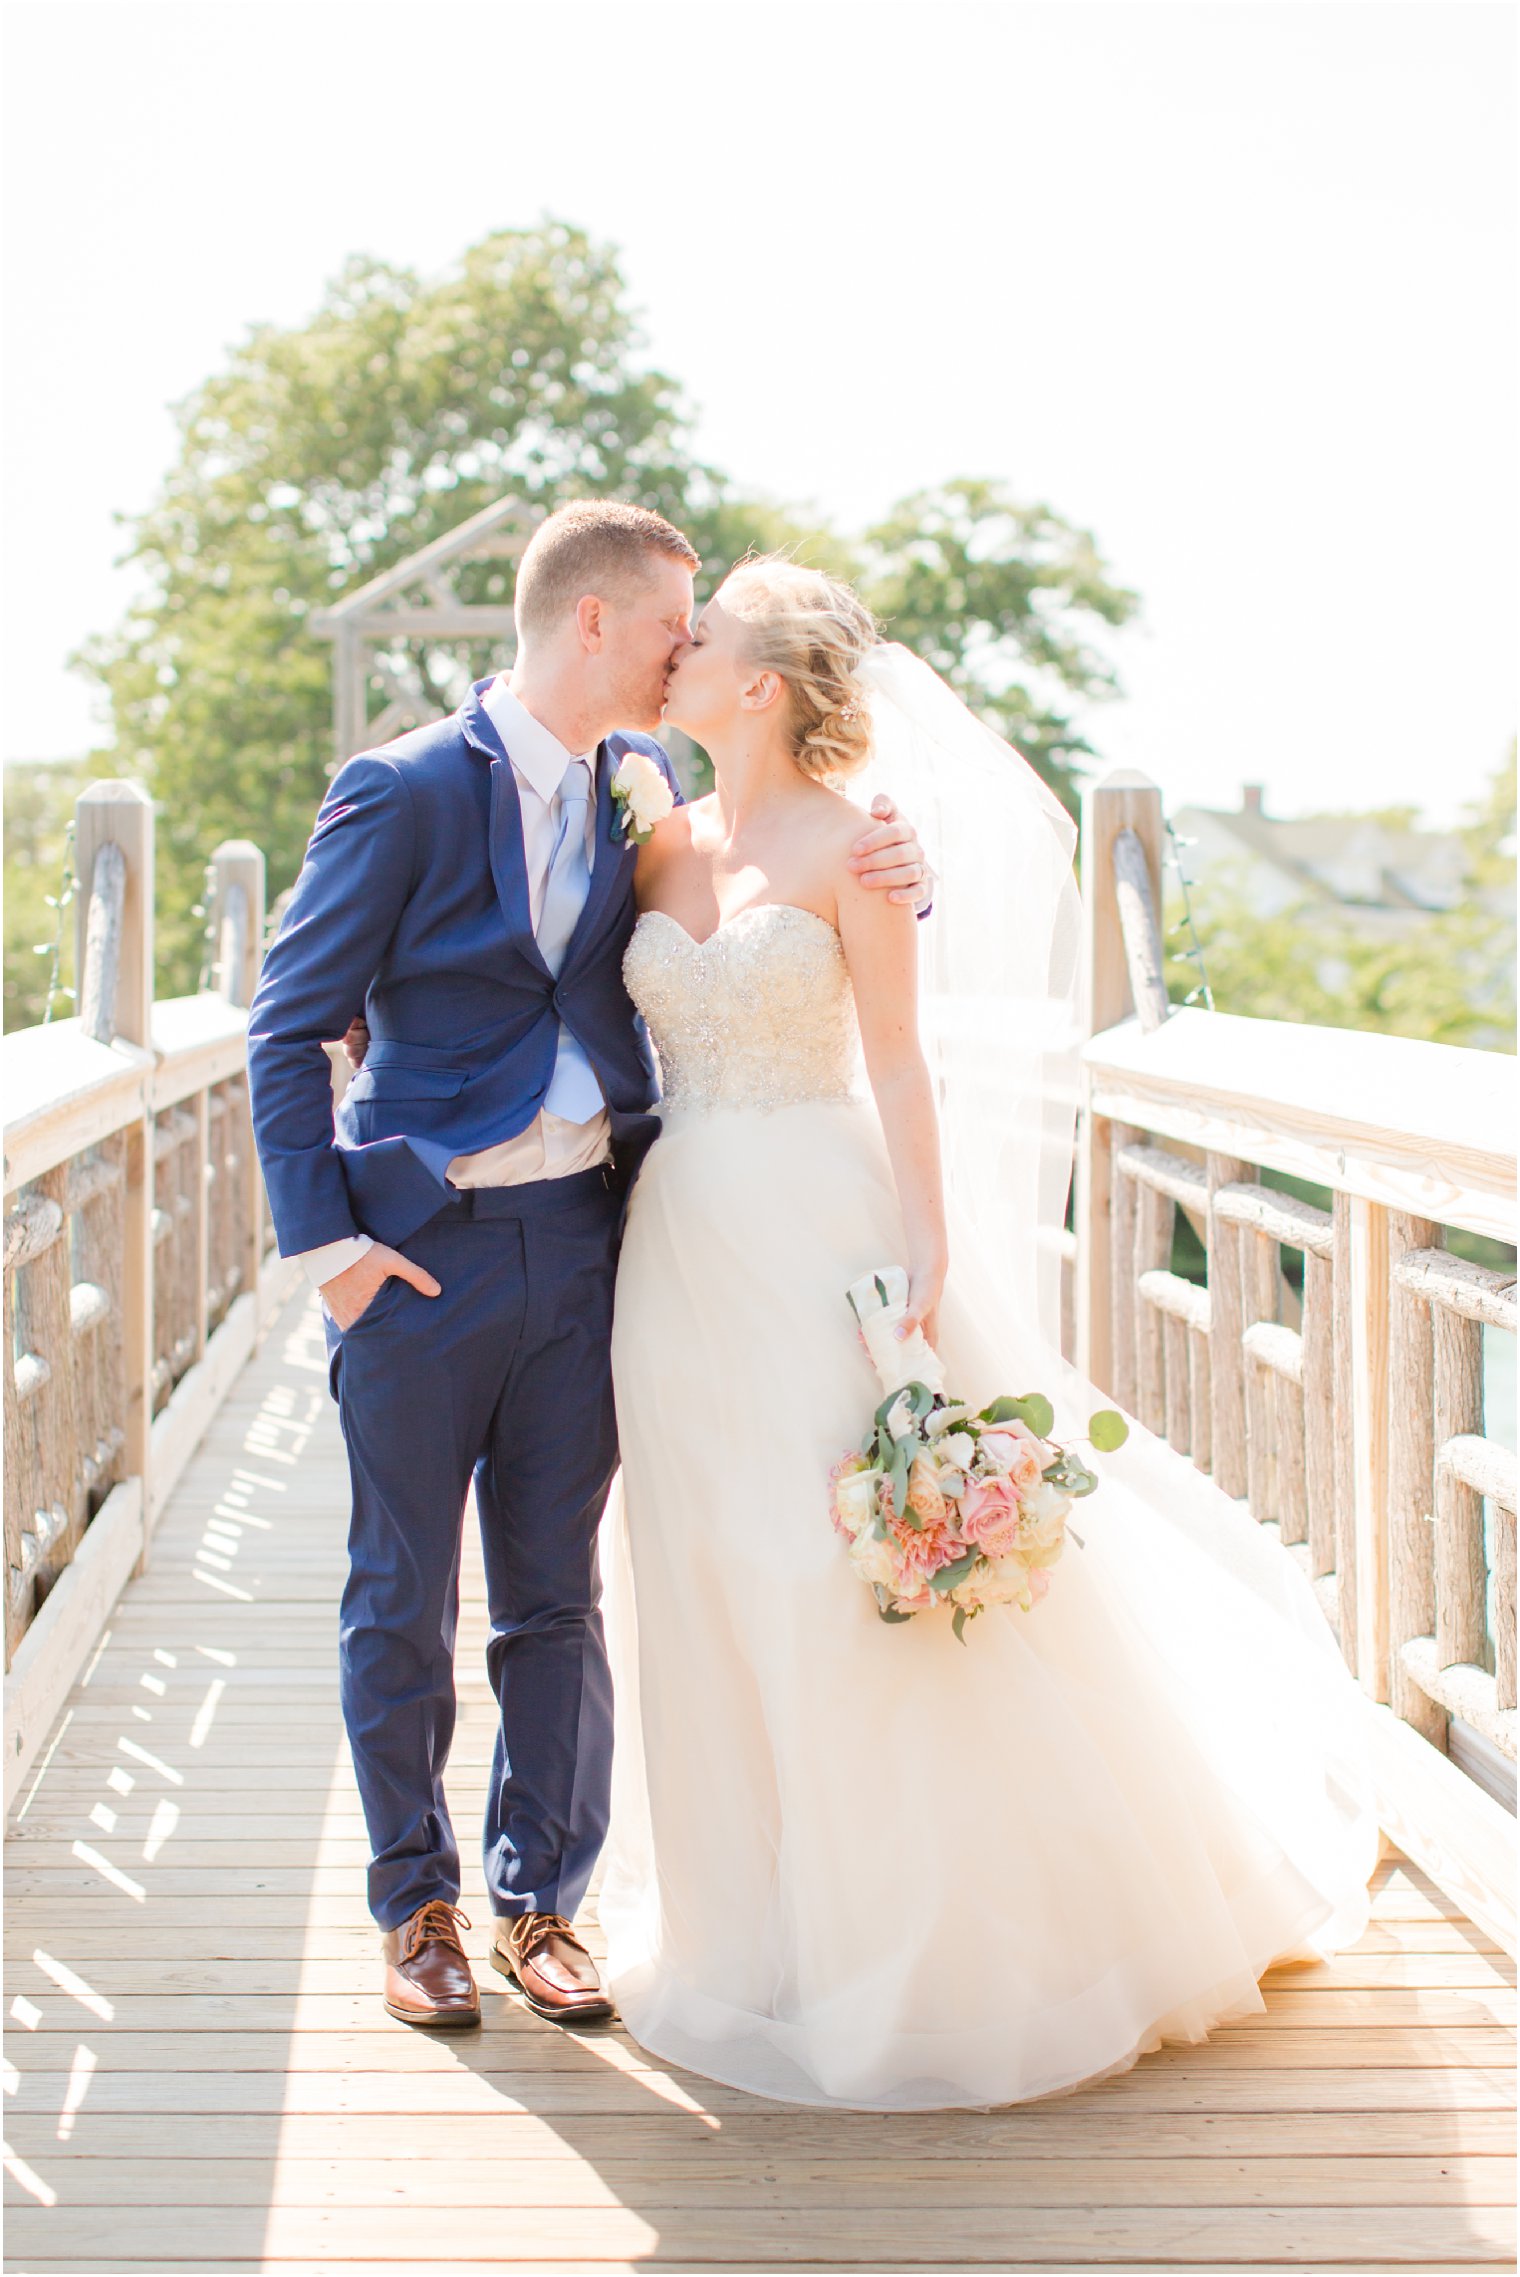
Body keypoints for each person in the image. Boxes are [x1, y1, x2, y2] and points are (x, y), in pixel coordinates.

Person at [599, 557, 1379, 2111]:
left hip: (825, 1229)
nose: (676, 652)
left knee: (829, 1564)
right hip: (678, 1246)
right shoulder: (652, 842)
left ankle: (906, 1952)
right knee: (705, 1564)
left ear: (760, 685)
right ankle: (751, 1937)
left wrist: (932, 1246)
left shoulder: (863, 851)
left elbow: (898, 1063)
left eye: (708, 639)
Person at [245, 504, 933, 2033]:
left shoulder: (650, 786)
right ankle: (412, 1901)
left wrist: (901, 860)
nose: (690, 652)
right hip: (417, 1260)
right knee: (400, 1590)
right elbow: (286, 1024)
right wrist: (332, 1250)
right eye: (675, 629)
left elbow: (782, 882)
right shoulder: (404, 788)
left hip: (595, 1242)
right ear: (599, 626)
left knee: (558, 1596)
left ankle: (539, 1902)